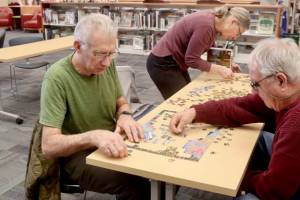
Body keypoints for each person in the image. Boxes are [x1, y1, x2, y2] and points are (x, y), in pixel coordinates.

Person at [25, 13, 150, 200]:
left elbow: (120, 101)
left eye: (111, 53)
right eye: (100, 54)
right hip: (77, 153)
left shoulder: (106, 64)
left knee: (159, 170)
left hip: (110, 137)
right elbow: (49, 145)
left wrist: (125, 115)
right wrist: (93, 136)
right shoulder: (56, 78)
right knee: (138, 183)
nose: (107, 62)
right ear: (77, 46)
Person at [169, 38, 300, 200]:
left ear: (281, 80)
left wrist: (239, 177)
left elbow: (275, 190)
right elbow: (242, 106)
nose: (253, 92)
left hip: (287, 190)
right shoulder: (288, 94)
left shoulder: (295, 123)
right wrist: (195, 112)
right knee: (258, 138)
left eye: (255, 84)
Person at [146, 6, 250, 99]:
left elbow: (209, 45)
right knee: (181, 101)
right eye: (239, 32)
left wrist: (227, 63)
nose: (235, 37)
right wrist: (220, 69)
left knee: (187, 97)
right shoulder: (206, 26)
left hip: (173, 61)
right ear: (234, 22)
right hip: (163, 64)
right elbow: (191, 60)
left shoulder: (215, 20)